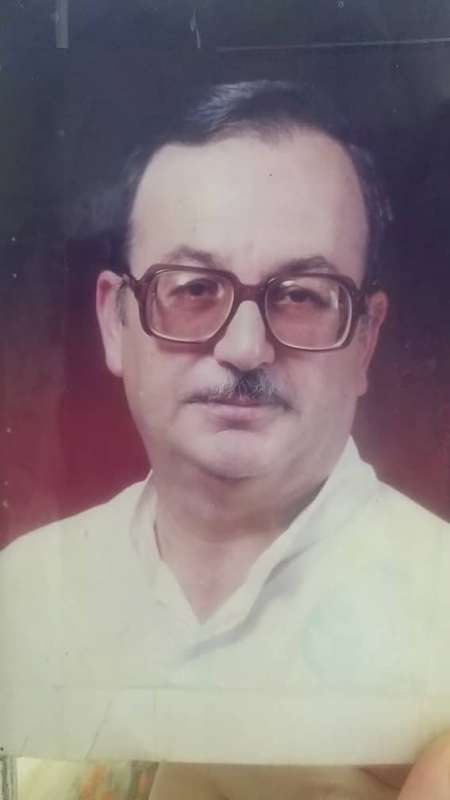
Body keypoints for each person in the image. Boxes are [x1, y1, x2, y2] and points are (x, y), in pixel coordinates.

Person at [1, 81, 450, 794]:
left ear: (366, 339)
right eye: (193, 288)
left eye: (301, 296)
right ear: (116, 322)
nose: (245, 348)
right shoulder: (21, 590)